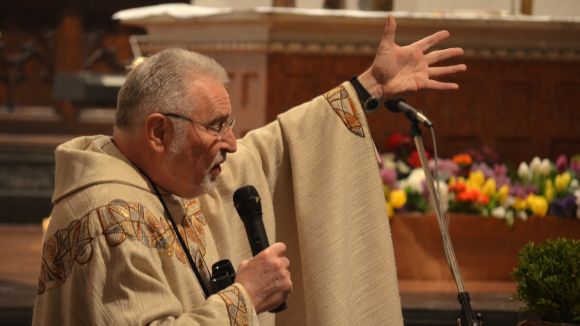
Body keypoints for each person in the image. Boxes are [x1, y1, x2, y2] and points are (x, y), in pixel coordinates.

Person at [32, 15, 465, 325]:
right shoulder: (109, 217)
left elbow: (273, 147)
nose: (233, 144)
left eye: (231, 123)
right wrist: (244, 297)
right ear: (159, 132)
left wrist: (368, 87)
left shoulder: (157, 176)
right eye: (216, 126)